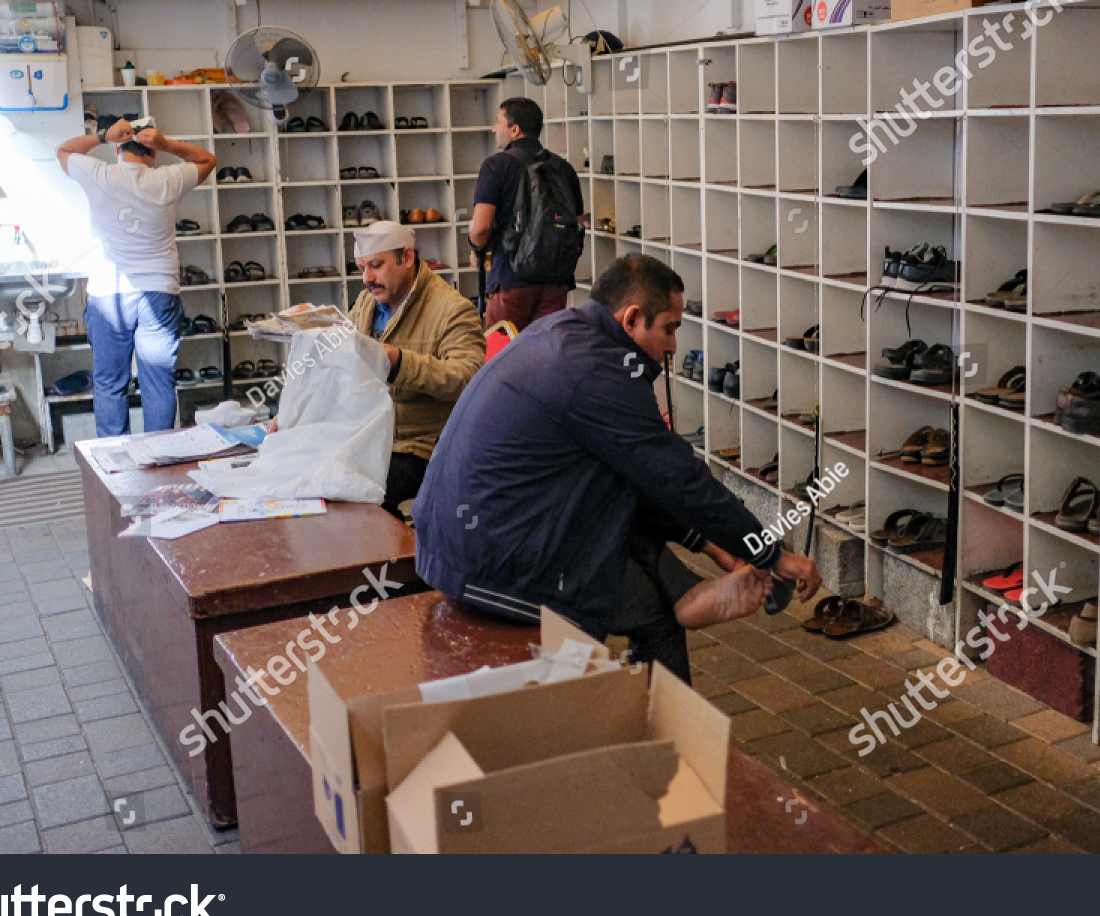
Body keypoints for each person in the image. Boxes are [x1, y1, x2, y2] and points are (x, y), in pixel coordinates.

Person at [413, 254, 822, 681]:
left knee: (615, 495)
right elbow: (679, 478)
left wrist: (713, 543)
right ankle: (664, 735)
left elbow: (641, 471)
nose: (673, 347)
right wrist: (771, 554)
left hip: (456, 540)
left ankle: (683, 594)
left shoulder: (560, 333)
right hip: (491, 565)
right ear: (631, 319)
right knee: (654, 614)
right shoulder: (600, 372)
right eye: (669, 329)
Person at [56, 118, 215, 436]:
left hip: (108, 295)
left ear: (117, 148)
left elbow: (62, 151)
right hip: (158, 294)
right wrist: (168, 144)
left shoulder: (98, 173)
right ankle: (156, 462)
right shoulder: (168, 178)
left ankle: (114, 468)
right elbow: (207, 159)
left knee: (110, 383)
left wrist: (100, 136)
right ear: (153, 153)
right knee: (157, 384)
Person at [345, 221, 485, 517]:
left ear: (407, 258)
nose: (367, 278)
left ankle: (379, 558)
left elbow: (469, 378)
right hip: (368, 436)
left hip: (418, 448)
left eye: (376, 265)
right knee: (303, 467)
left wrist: (399, 363)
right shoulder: (365, 303)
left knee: (347, 491)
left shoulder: (452, 310)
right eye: (362, 268)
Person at [467, 97, 584, 331]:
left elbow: (480, 227)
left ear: (514, 129)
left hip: (510, 279)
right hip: (556, 280)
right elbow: (578, 223)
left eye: (498, 122)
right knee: (546, 356)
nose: (494, 129)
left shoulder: (496, 166)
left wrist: (476, 248)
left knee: (504, 357)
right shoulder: (563, 167)